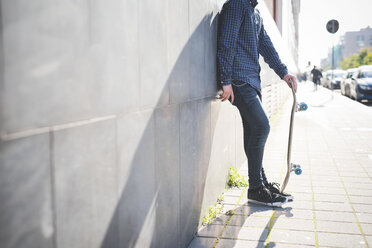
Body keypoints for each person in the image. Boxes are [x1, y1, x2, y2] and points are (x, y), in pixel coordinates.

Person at [217, 0, 297, 207]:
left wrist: (284, 73)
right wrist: (225, 80)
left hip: (252, 80)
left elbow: (267, 47)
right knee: (262, 126)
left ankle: (260, 184)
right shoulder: (236, 5)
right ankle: (255, 188)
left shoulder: (256, 13)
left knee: (253, 130)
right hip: (238, 79)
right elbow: (226, 41)